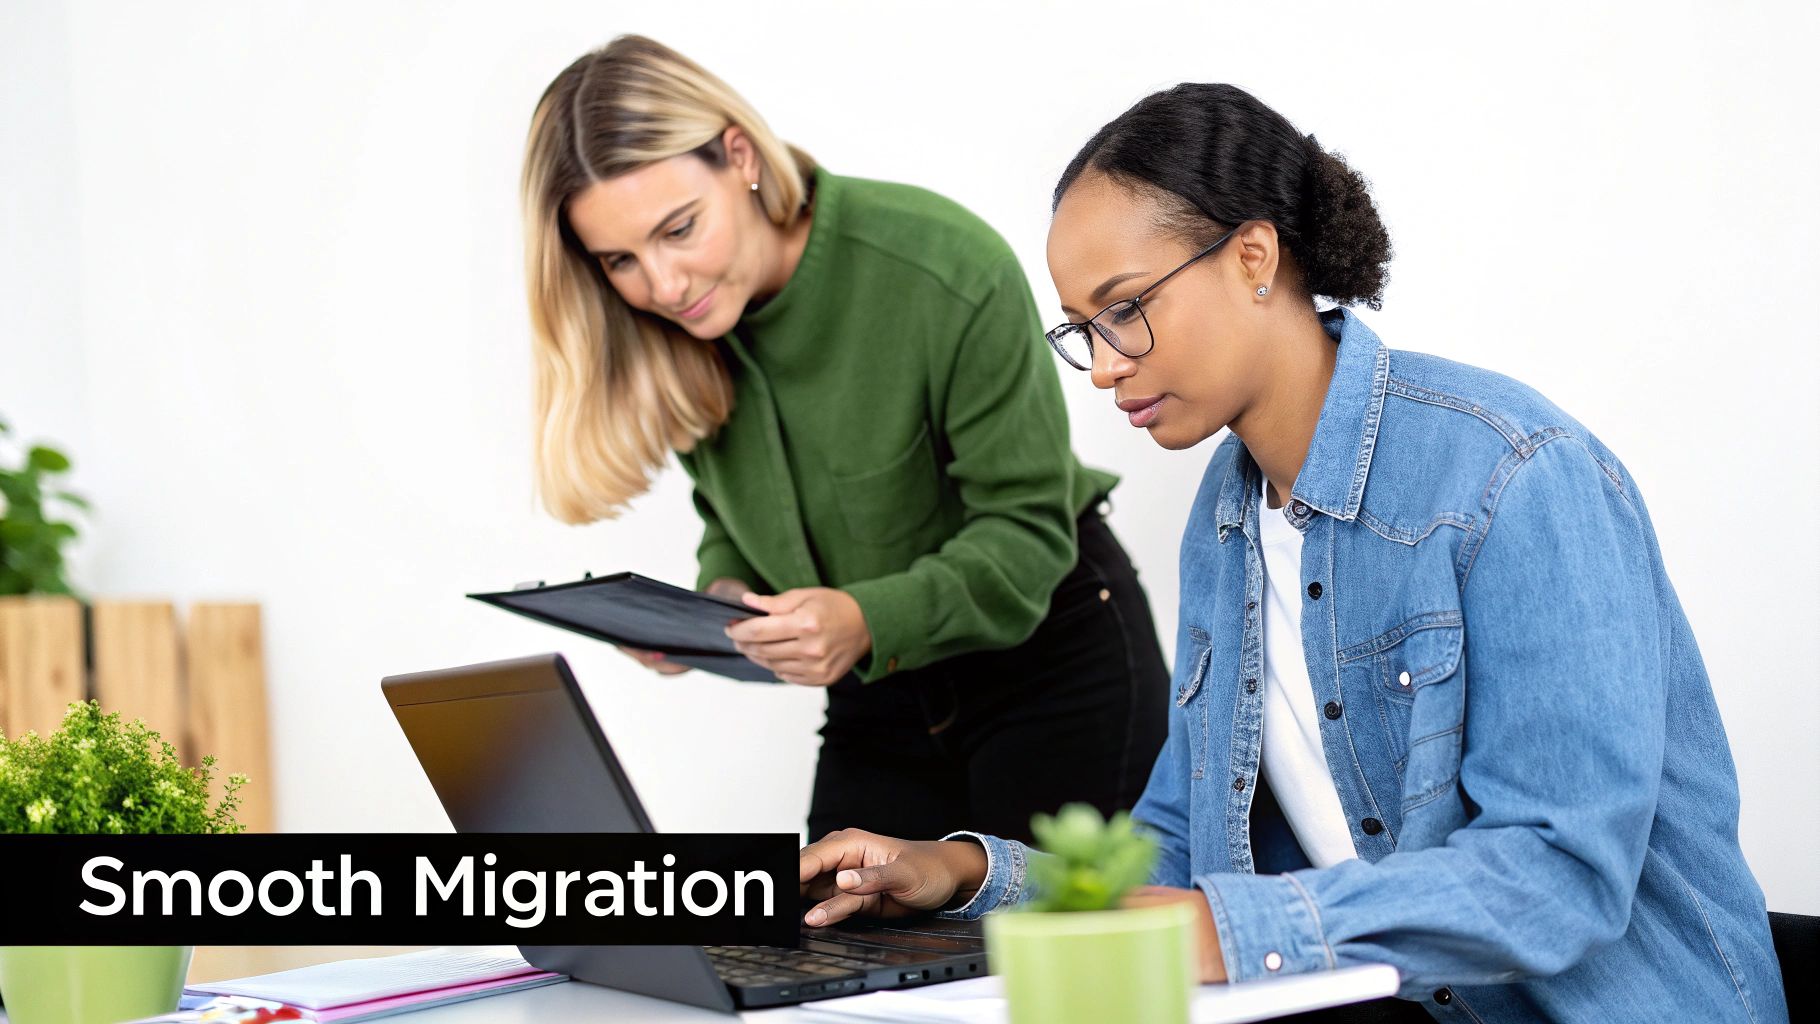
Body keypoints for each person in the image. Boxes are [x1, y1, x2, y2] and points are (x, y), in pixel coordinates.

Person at [796, 84, 1788, 1023]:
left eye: (1124, 308)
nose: (1100, 367)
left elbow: (1558, 874)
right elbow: (1174, 853)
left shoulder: (1512, 475)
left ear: (1252, 257)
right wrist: (968, 874)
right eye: (1079, 331)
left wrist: (1223, 928)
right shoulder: (1222, 524)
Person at [518, 36, 1169, 844]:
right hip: (881, 692)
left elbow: (1027, 535)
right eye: (620, 259)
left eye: (679, 229)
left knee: (1045, 957)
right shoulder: (674, 330)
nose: (663, 285)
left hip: (1055, 666)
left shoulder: (943, 268)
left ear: (740, 155)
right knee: (833, 943)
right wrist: (716, 608)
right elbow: (732, 516)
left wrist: (863, 618)